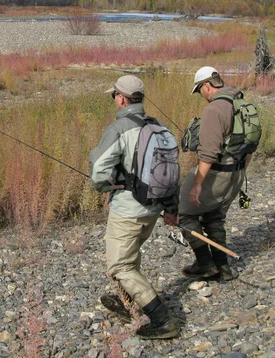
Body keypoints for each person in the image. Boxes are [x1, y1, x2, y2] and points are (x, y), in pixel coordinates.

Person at [89, 75, 179, 340]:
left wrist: (107, 187)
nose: (114, 100)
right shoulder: (160, 127)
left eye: (114, 96)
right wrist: (171, 208)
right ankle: (126, 301)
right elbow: (173, 174)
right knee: (130, 255)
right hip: (154, 209)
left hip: (128, 210)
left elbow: (98, 173)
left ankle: (163, 320)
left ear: (121, 98)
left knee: (120, 266)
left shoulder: (119, 129)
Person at [178, 66, 251, 281]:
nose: (200, 95)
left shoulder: (214, 110)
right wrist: (240, 172)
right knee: (214, 217)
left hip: (217, 175)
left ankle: (205, 264)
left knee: (184, 215)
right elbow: (251, 145)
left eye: (199, 90)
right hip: (237, 174)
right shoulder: (243, 104)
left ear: (206, 86)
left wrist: (198, 184)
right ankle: (224, 268)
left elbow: (208, 153)